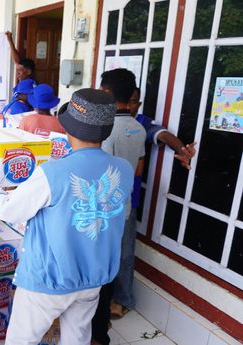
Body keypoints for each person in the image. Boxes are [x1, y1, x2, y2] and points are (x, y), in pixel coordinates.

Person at [0, 88, 134, 345]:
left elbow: (9, 210)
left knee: (22, 340)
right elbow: (122, 212)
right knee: (76, 339)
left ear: (68, 130)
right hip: (92, 279)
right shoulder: (123, 169)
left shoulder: (52, 172)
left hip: (47, 280)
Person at [107, 87, 196, 321]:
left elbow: (163, 134)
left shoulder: (140, 124)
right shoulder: (105, 120)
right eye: (130, 101)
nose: (132, 106)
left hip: (128, 200)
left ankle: (123, 299)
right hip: (103, 200)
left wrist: (182, 149)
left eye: (136, 102)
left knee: (125, 253)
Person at [91, 68, 146, 345]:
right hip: (126, 203)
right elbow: (137, 169)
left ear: (109, 94)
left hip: (105, 207)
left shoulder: (106, 128)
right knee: (122, 255)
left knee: (102, 259)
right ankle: (118, 302)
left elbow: (102, 171)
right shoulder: (139, 128)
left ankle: (100, 311)